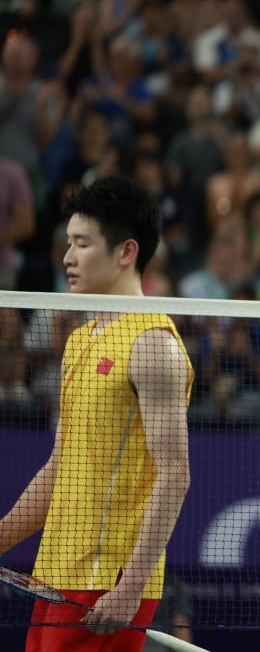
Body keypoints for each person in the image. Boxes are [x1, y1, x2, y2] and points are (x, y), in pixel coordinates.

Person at [0, 176, 193, 652]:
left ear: (126, 252)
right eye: (67, 243)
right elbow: (58, 467)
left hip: (105, 585)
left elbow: (175, 474)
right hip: (57, 574)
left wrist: (130, 587)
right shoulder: (80, 340)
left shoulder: (152, 345)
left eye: (82, 244)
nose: (67, 257)